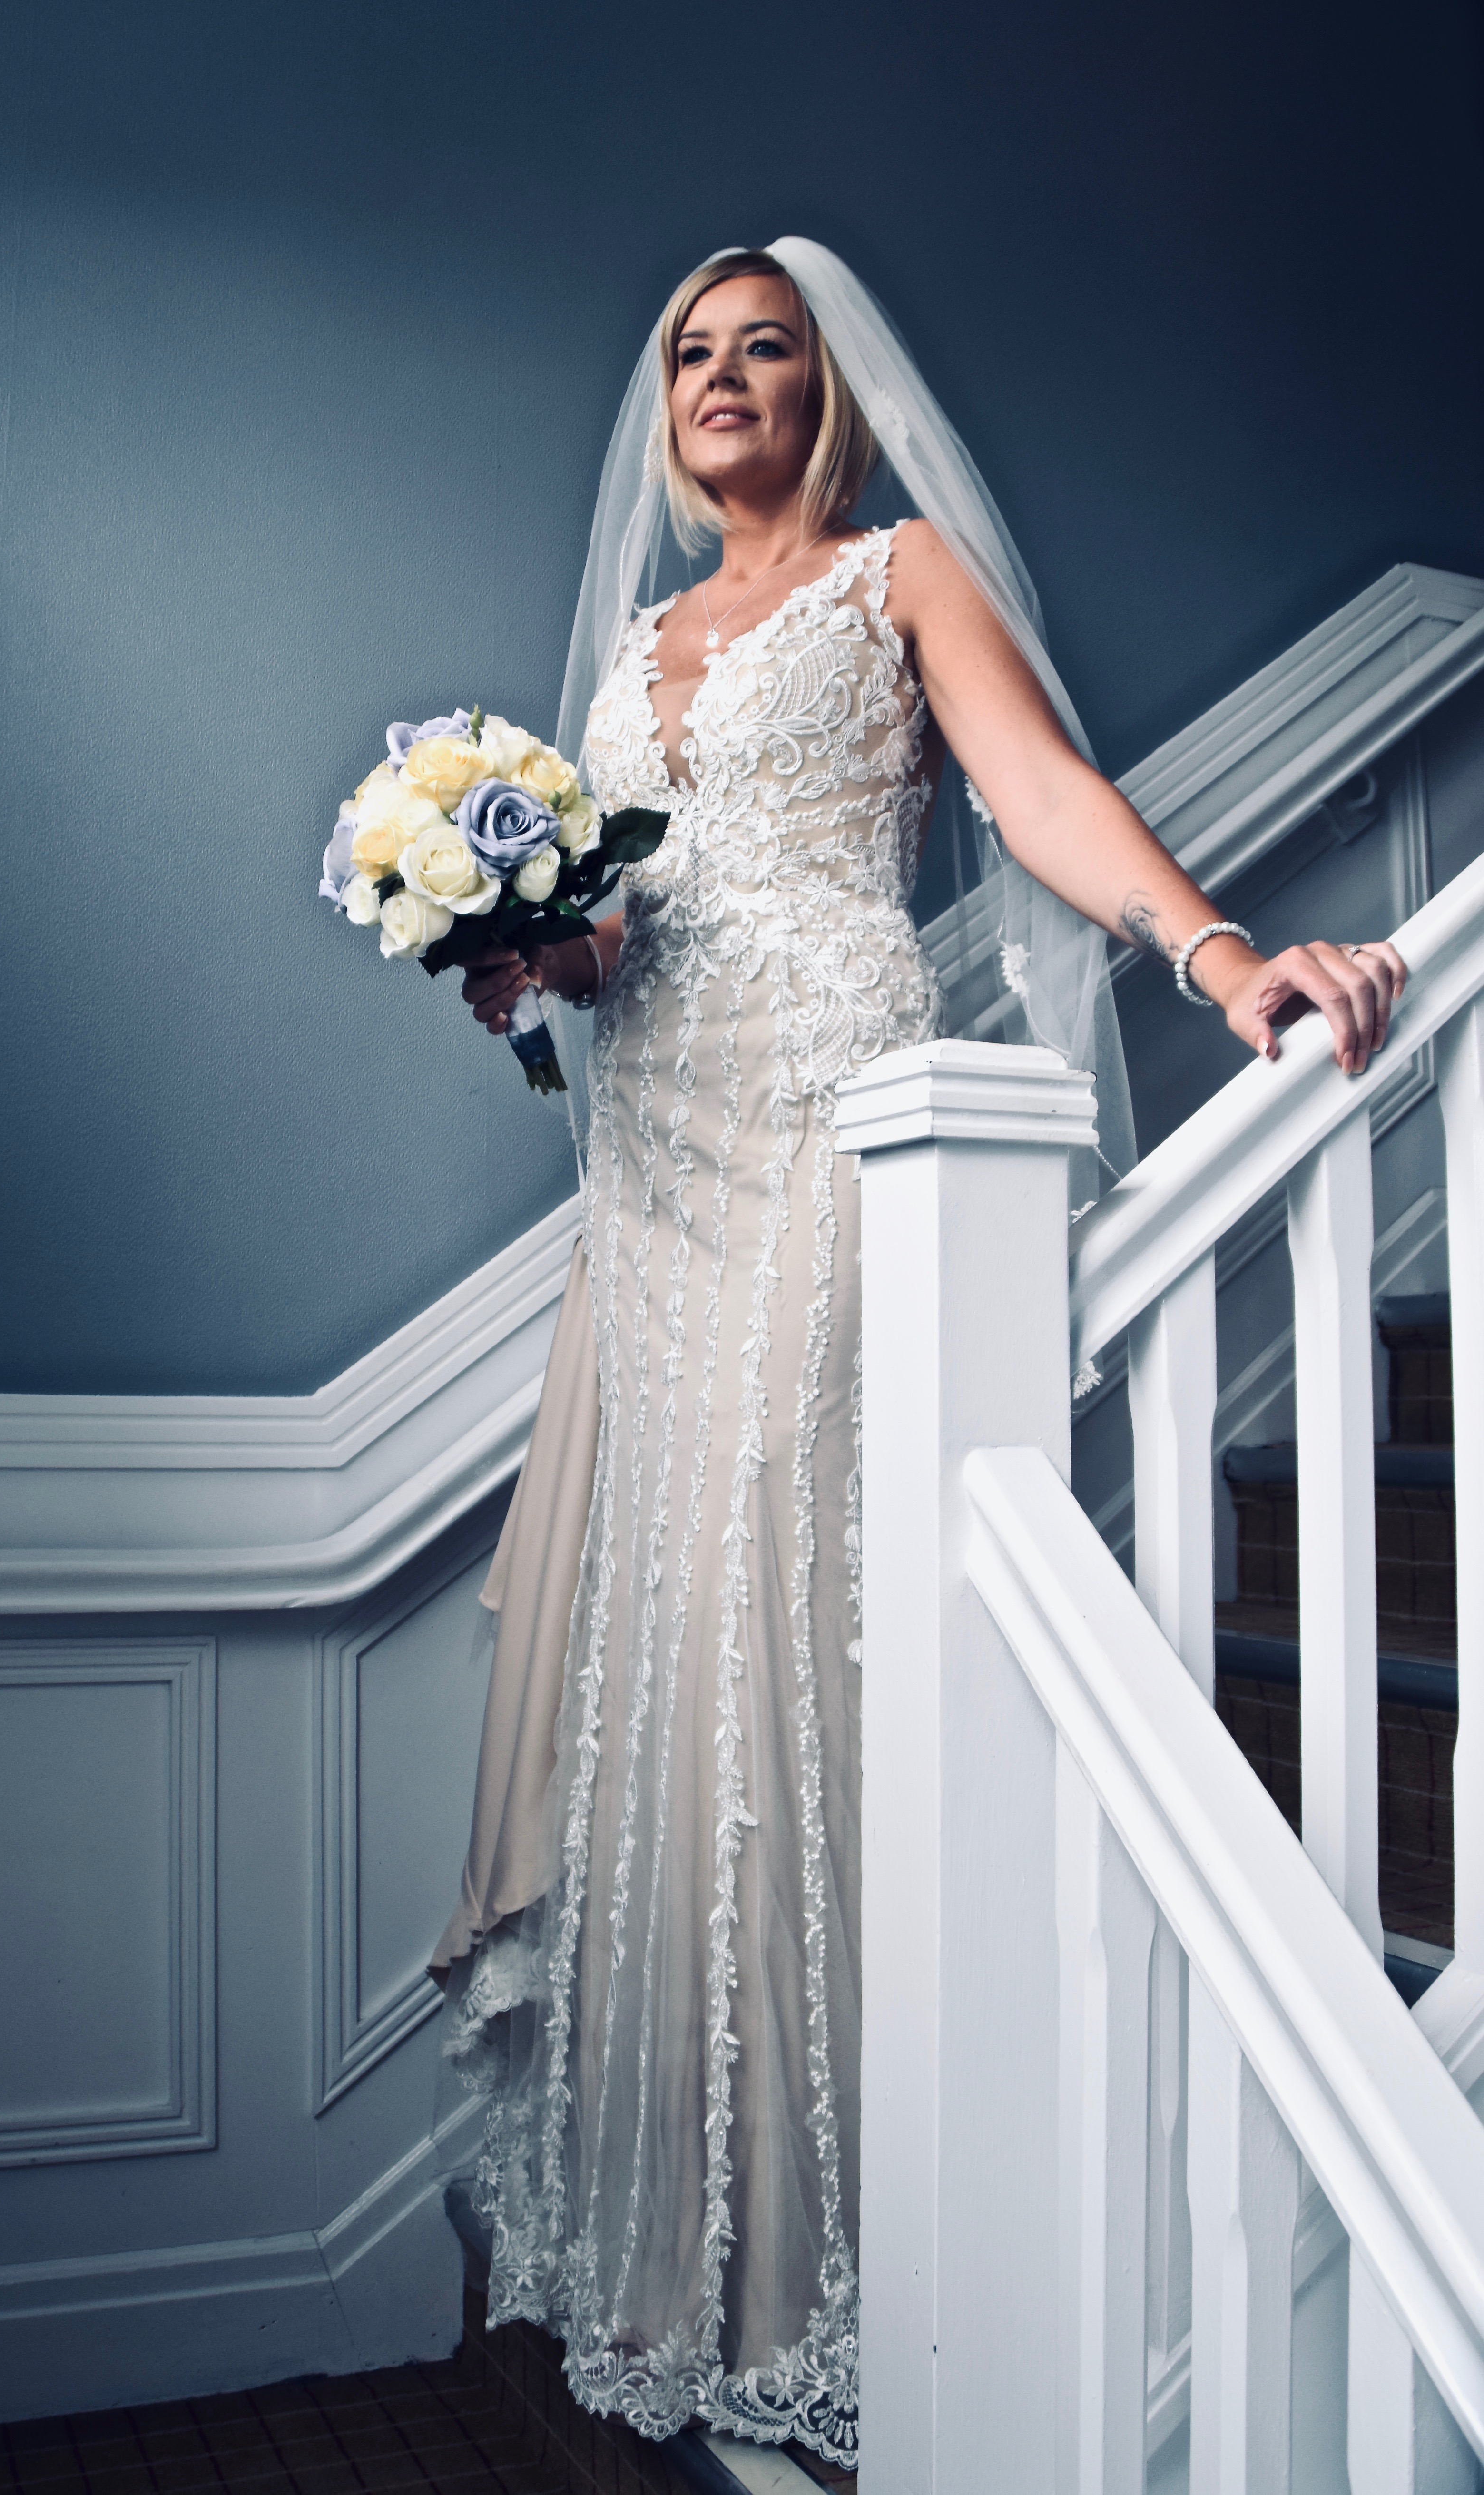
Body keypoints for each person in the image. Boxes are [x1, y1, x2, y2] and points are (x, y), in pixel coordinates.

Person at [429, 241, 1406, 2475]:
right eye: (693, 350)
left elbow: (1038, 791)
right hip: (652, 1173)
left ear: (831, 395)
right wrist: (530, 960)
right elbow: (618, 920)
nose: (724, 375)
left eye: (767, 346)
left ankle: (877, 2253)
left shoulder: (894, 577)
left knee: (809, 1637)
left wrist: (1217, 949)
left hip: (825, 1129)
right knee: (679, 1665)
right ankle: (696, 2244)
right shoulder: (623, 648)